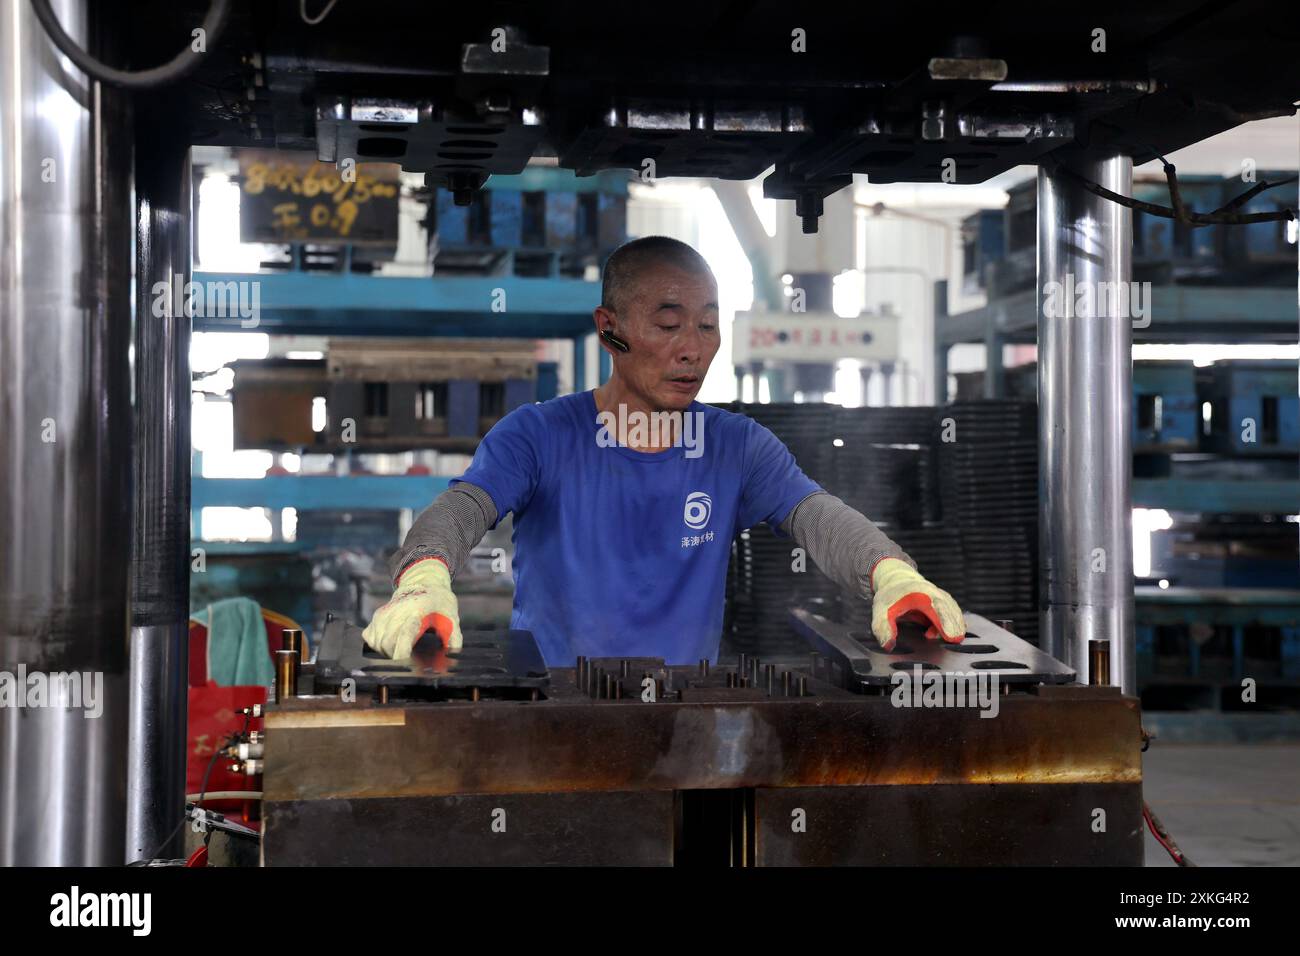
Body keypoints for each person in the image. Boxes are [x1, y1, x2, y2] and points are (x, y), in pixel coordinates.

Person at [363, 236, 965, 663]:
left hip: (686, 722)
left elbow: (817, 517)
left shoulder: (735, 445)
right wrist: (424, 577)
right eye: (668, 323)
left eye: (707, 325)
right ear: (609, 329)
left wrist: (891, 574)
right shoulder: (539, 435)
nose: (692, 349)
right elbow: (464, 507)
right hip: (549, 714)